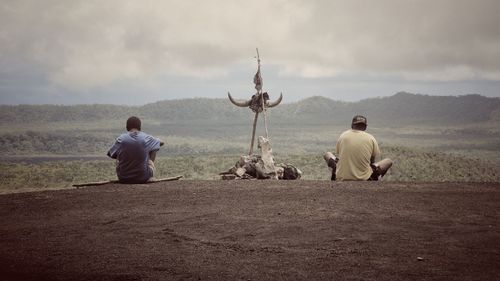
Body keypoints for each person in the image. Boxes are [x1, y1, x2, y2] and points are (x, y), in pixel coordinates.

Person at [324, 115, 392, 181]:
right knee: (388, 161)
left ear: (352, 125)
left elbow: (340, 155)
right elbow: (371, 162)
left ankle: (335, 175)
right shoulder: (371, 138)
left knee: (328, 154)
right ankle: (375, 180)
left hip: (341, 176)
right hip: (365, 178)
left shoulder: (343, 136)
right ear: (365, 127)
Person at [107, 116, 164, 183]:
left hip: (123, 178)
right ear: (139, 127)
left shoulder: (121, 139)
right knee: (154, 147)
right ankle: (150, 176)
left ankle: (125, 171)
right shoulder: (146, 138)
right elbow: (162, 142)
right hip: (143, 177)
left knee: (119, 152)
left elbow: (111, 154)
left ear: (127, 127)